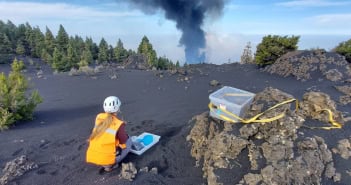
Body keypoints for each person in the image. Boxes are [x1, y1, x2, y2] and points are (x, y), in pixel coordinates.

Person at [86, 96, 132, 173]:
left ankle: (106, 163)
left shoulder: (99, 117)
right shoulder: (118, 124)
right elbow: (123, 140)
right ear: (117, 109)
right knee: (129, 140)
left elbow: (106, 131)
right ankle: (111, 165)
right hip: (108, 159)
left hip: (94, 156)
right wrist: (123, 130)